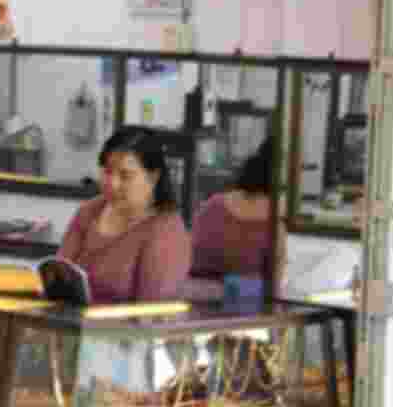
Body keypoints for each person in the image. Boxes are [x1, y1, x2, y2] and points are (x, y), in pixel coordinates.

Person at [54, 126, 191, 302]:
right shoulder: (89, 212)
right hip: (70, 324)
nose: (112, 184)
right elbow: (60, 276)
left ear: (153, 177)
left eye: (125, 175)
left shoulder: (166, 232)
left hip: (120, 329)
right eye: (107, 171)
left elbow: (151, 317)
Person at [189, 136, 273, 304]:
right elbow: (274, 288)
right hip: (246, 311)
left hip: (197, 306)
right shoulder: (275, 216)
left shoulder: (213, 205)